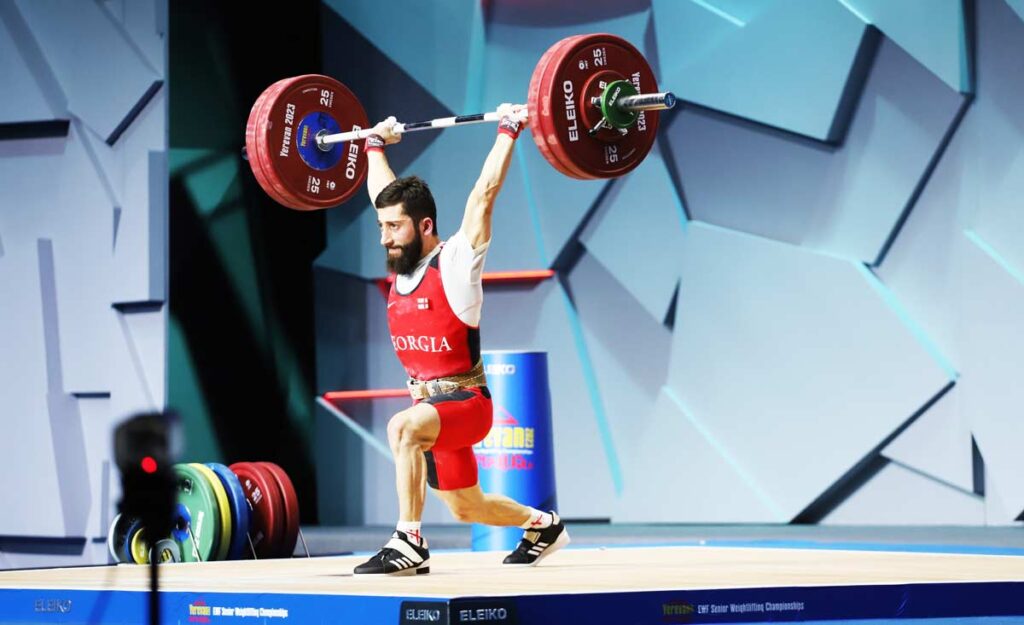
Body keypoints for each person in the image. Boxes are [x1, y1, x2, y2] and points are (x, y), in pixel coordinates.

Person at [353, 104, 570, 576]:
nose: (385, 236)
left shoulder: (455, 263)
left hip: (468, 404)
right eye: (382, 227)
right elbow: (382, 196)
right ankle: (543, 526)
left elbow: (483, 196)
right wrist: (373, 145)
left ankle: (408, 542)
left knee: (401, 429)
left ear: (425, 225)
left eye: (394, 227)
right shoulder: (402, 265)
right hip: (436, 413)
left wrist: (508, 131)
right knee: (467, 507)